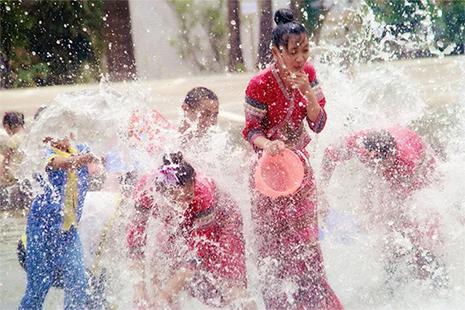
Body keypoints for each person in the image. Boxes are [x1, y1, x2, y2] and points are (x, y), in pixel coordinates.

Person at [242, 8, 343, 309]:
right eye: (294, 52)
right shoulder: (258, 84)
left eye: (306, 50)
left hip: (300, 172)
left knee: (307, 245)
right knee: (272, 247)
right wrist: (268, 144)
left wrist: (309, 96)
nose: (301, 59)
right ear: (276, 52)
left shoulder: (309, 75)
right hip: (267, 176)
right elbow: (250, 132)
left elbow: (318, 124)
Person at [320, 127, 448, 290]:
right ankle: (394, 274)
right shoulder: (359, 144)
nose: (375, 167)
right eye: (372, 162)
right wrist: (322, 189)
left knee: (414, 228)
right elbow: (330, 153)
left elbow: (403, 205)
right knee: (385, 224)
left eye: (382, 164)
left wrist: (394, 226)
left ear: (390, 157)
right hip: (394, 136)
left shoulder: (405, 164)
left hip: (422, 166)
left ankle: (434, 279)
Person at [127, 152, 253, 309]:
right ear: (164, 192)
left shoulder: (202, 193)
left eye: (189, 195)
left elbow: (196, 257)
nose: (186, 200)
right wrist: (139, 293)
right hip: (180, 223)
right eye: (179, 197)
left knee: (230, 285)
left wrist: (164, 296)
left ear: (194, 182)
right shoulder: (146, 191)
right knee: (160, 269)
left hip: (223, 221)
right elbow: (135, 244)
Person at [19, 135, 98, 309]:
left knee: (79, 282)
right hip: (41, 232)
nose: (63, 136)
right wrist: (85, 159)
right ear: (46, 135)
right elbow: (61, 163)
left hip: (68, 232)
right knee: (38, 287)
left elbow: (97, 160)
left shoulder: (80, 148)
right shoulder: (42, 154)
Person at [0, 111, 31, 210]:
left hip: (13, 181)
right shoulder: (29, 137)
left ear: (7, 125)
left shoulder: (13, 140)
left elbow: (6, 162)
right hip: (26, 179)